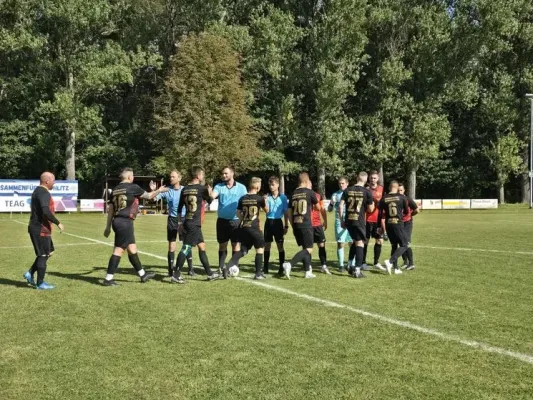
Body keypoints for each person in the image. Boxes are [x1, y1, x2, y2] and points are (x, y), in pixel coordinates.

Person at [103, 168, 165, 286]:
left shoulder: (115, 190)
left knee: (132, 249)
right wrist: (159, 190)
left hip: (118, 221)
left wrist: (108, 226)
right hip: (125, 222)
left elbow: (110, 209)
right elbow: (149, 196)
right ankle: (108, 278)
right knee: (118, 250)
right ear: (130, 177)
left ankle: (143, 275)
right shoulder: (132, 187)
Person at [172, 166, 219, 283]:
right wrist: (209, 192)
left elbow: (179, 208)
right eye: (202, 175)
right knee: (186, 248)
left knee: (202, 246)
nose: (203, 177)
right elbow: (209, 200)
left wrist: (179, 222)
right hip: (194, 223)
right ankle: (176, 275)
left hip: (187, 221)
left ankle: (209, 273)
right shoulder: (201, 188)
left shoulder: (185, 189)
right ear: (198, 176)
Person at [23, 172, 65, 290]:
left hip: (41, 228)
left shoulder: (38, 191)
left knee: (49, 251)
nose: (54, 183)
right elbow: (45, 211)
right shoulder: (43, 192)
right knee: (43, 254)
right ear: (47, 181)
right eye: (53, 180)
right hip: (40, 229)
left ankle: (30, 273)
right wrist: (58, 223)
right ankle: (40, 283)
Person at [151, 170, 195, 277]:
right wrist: (154, 190)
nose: (171, 178)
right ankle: (171, 271)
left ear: (179, 178)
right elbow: (153, 198)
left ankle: (190, 269)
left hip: (184, 219)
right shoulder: (166, 190)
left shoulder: (185, 190)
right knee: (172, 245)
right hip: (172, 219)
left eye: (173, 177)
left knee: (186, 243)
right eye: (170, 177)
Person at [224, 177, 269, 279]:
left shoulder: (242, 198)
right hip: (254, 228)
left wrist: (244, 219)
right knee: (260, 249)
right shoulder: (259, 198)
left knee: (244, 249)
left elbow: (238, 213)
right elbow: (267, 210)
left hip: (244, 227)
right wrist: (265, 201)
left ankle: (227, 266)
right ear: (257, 186)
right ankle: (258, 273)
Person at [282, 172, 320, 279]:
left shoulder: (293, 193)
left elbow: (289, 212)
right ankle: (290, 264)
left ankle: (308, 271)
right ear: (306, 181)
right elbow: (318, 207)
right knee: (309, 248)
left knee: (304, 246)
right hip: (306, 223)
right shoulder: (309, 192)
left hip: (296, 223)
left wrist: (292, 224)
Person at [210, 166, 248, 273]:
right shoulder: (219, 186)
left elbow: (246, 202)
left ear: (232, 174)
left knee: (235, 245)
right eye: (223, 173)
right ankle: (221, 267)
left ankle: (233, 267)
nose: (223, 175)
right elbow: (213, 196)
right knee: (222, 245)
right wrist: (209, 194)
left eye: (226, 173)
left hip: (236, 221)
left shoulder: (241, 187)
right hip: (222, 221)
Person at [338, 172, 374, 278]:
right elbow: (371, 209)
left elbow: (340, 206)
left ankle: (349, 265)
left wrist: (341, 220)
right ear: (366, 180)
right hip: (359, 220)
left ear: (356, 178)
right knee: (360, 243)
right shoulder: (367, 192)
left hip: (349, 220)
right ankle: (357, 270)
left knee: (355, 241)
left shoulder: (347, 190)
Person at [378, 180, 411, 275]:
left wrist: (379, 227)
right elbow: (406, 211)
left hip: (388, 225)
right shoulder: (402, 197)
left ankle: (396, 268)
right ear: (397, 188)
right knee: (405, 244)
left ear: (389, 187)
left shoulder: (384, 198)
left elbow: (380, 214)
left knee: (394, 245)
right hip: (398, 223)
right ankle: (390, 261)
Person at [263, 176, 289, 275]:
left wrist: (286, 226)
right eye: (270, 185)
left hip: (278, 223)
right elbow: (266, 211)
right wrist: (265, 202)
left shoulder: (283, 197)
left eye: (273, 184)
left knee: (280, 246)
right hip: (268, 222)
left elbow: (286, 212)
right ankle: (265, 267)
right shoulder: (267, 197)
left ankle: (281, 267)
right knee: (267, 246)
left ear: (278, 185)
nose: (271, 187)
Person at [328, 177, 352, 272]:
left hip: (350, 220)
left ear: (347, 183)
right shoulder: (335, 195)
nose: (341, 185)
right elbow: (329, 210)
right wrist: (331, 203)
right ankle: (341, 265)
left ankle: (351, 264)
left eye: (343, 183)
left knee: (352, 242)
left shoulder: (351, 193)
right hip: (339, 221)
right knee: (340, 243)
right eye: (339, 183)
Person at [364, 171, 386, 271]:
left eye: (375, 178)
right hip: (367, 219)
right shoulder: (366, 189)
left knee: (379, 240)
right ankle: (363, 262)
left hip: (378, 219)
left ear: (378, 179)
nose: (373, 180)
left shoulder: (381, 189)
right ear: (369, 179)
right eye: (371, 178)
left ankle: (376, 262)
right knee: (365, 241)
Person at [398, 183, 419, 270]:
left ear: (404, 190)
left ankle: (411, 263)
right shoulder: (395, 199)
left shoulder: (408, 199)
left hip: (407, 223)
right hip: (399, 223)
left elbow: (417, 210)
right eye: (398, 190)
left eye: (401, 190)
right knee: (401, 242)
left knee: (406, 243)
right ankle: (405, 262)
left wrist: (410, 216)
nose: (400, 192)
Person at [311, 185, 330, 274]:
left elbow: (322, 209)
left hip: (317, 224)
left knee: (321, 245)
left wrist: (325, 221)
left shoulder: (318, 196)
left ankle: (324, 265)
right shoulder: (303, 195)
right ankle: (308, 266)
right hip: (308, 225)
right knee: (308, 246)